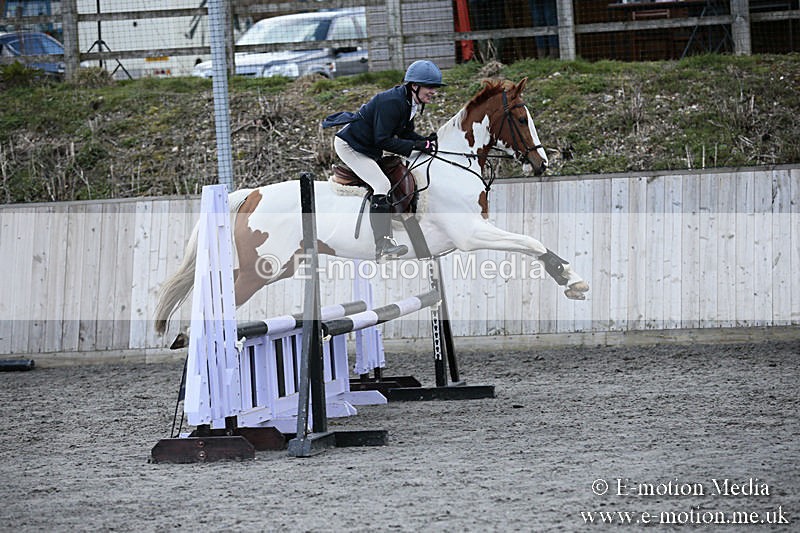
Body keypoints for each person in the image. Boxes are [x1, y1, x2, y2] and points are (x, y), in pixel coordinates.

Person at [326, 59, 444, 260]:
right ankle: (382, 244)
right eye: (430, 87)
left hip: (368, 145)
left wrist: (425, 142)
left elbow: (406, 133)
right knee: (381, 184)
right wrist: (417, 146)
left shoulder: (410, 102)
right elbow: (384, 140)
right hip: (351, 145)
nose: (433, 91)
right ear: (414, 86)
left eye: (435, 87)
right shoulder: (393, 102)